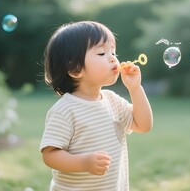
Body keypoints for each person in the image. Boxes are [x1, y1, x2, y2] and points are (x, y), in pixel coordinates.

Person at [39, 21, 153, 190]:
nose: (113, 57)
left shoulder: (112, 101)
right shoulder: (65, 110)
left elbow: (143, 125)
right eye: (101, 53)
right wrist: (83, 163)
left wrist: (136, 89)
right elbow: (50, 155)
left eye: (113, 51)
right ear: (76, 70)